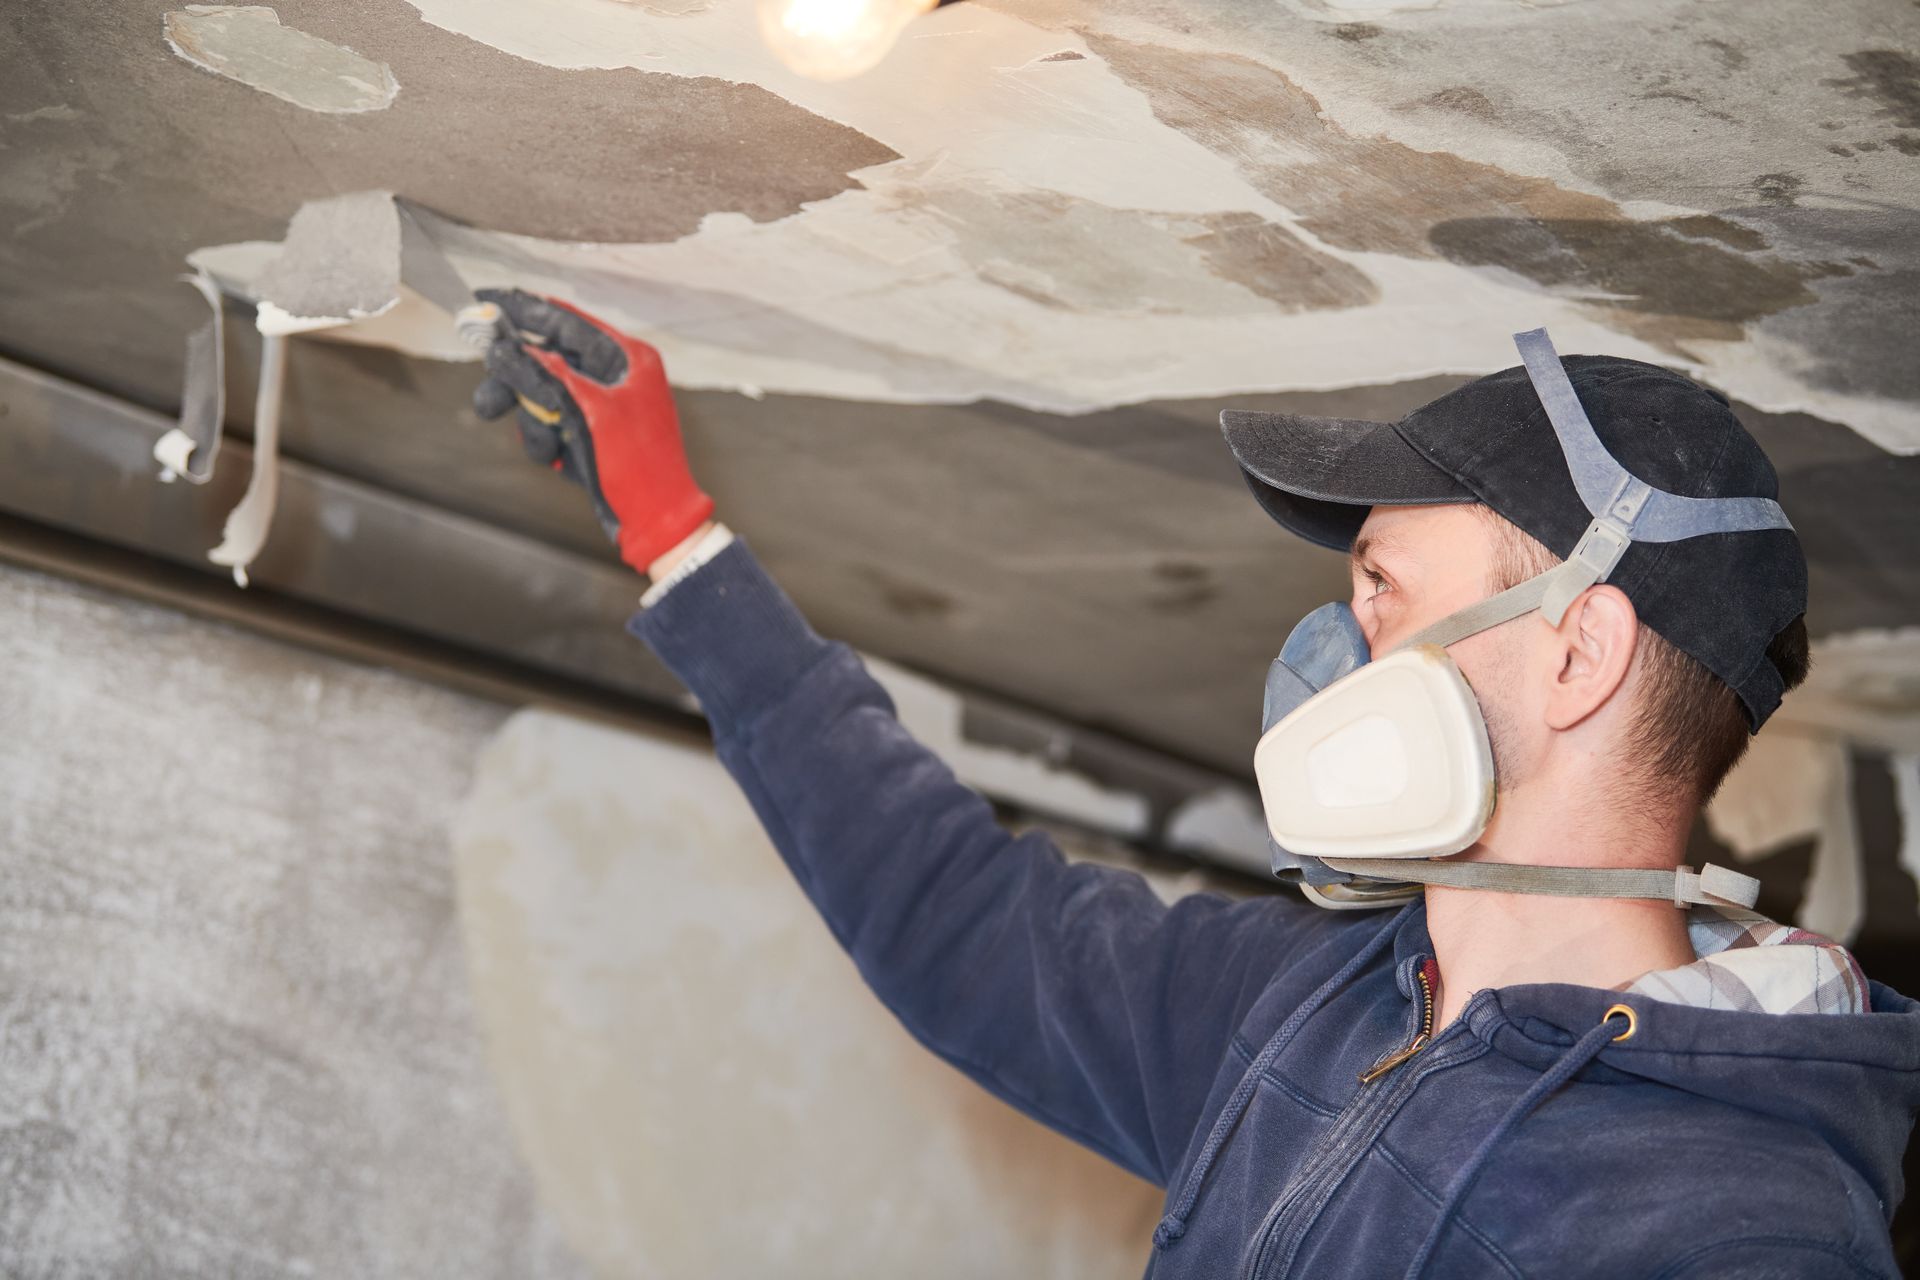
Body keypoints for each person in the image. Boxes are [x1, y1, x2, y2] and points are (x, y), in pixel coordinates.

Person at [472, 289, 1920, 1278]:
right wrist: (676, 537)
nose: (1341, 652)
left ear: (1576, 654)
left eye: (1384, 591)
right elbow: (956, 917)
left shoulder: (1730, 1227)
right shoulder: (1309, 1007)